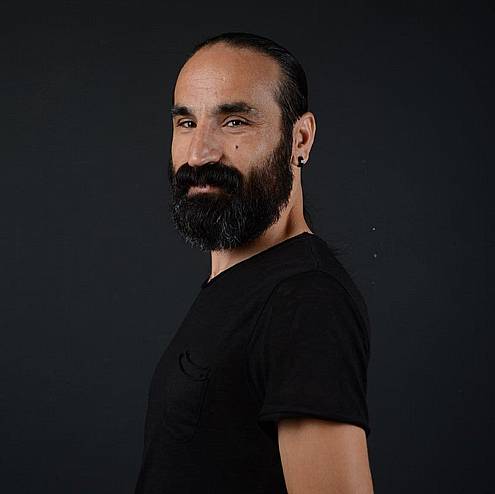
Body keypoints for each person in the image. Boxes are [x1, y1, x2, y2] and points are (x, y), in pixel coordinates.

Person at [134, 32, 374, 493]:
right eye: (187, 123)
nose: (199, 153)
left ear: (300, 138)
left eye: (235, 122)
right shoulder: (241, 285)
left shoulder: (304, 299)